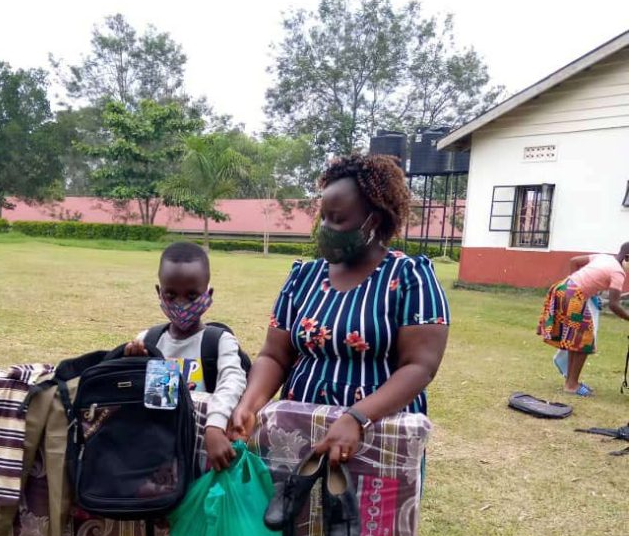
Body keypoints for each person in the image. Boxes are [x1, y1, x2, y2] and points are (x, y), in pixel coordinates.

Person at [228, 153, 450, 469]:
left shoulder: (410, 277)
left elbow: (419, 366)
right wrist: (249, 405)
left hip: (377, 436)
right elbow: (274, 356)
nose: (326, 228)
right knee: (293, 502)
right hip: (297, 432)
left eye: (338, 219)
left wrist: (357, 417)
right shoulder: (303, 277)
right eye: (324, 217)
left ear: (374, 220)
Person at [125, 242, 247, 471]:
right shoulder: (148, 340)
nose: (181, 305)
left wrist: (215, 424)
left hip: (205, 457)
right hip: (158, 459)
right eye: (171, 295)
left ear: (208, 294)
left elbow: (233, 380)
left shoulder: (218, 342)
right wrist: (132, 364)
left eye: (192, 295)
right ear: (159, 293)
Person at [537, 243, 629, 396]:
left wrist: (575, 283)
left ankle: (571, 382)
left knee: (576, 339)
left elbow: (574, 261)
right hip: (573, 296)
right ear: (627, 258)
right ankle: (571, 385)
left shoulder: (604, 257)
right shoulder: (618, 273)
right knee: (585, 341)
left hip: (563, 288)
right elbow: (614, 305)